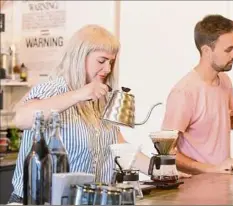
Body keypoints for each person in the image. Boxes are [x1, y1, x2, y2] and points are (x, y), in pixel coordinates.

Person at [8, 25, 153, 203]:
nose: (108, 69)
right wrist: (78, 95)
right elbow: (21, 119)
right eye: (102, 61)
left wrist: (159, 170)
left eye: (111, 62)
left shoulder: (101, 99)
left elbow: (119, 147)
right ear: (79, 57)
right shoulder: (51, 90)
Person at [161, 14, 233, 175]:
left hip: (221, 186)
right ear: (206, 51)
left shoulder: (224, 81)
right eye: (228, 50)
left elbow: (232, 121)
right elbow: (167, 152)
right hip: (195, 192)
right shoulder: (184, 92)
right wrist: (212, 169)